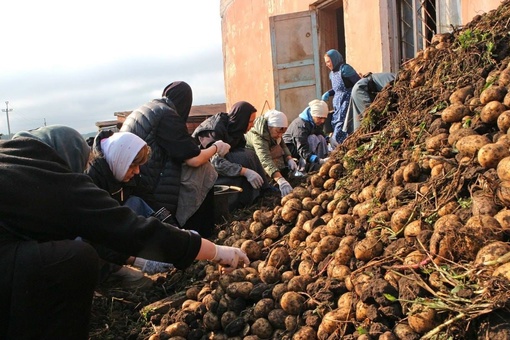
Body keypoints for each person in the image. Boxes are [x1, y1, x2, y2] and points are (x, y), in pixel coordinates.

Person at [0, 124, 249, 339]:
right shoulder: (53, 178)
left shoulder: (14, 161)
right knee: (76, 257)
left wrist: (178, 231)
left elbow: (143, 211)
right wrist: (213, 250)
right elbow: (122, 229)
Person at [120, 81, 231, 238]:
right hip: (148, 181)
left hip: (133, 179)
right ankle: (198, 234)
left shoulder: (148, 109)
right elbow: (194, 159)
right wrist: (216, 148)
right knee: (205, 170)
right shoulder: (166, 115)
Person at [85, 130, 173, 287]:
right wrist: (138, 261)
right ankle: (110, 271)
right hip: (94, 241)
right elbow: (96, 235)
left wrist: (176, 231)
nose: (137, 171)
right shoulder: (91, 180)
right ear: (120, 160)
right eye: (133, 166)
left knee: (136, 202)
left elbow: (149, 200)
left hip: (113, 228)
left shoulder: (121, 170)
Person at [192, 101, 269, 210]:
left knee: (248, 155)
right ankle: (237, 206)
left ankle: (263, 191)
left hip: (222, 160)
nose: (252, 125)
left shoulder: (236, 129)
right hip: (204, 170)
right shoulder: (214, 130)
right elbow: (216, 163)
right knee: (244, 159)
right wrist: (244, 171)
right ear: (242, 120)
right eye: (250, 121)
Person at [245, 109, 297, 197]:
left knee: (278, 149)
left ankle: (276, 175)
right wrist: (280, 180)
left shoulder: (274, 132)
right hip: (252, 158)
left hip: (265, 156)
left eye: (282, 132)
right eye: (278, 131)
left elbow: (283, 145)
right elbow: (265, 160)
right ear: (269, 127)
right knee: (273, 154)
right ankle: (267, 183)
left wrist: (289, 158)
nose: (280, 135)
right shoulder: (258, 136)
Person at [322, 49, 361, 147]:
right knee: (336, 124)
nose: (327, 64)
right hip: (338, 105)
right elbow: (337, 89)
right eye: (326, 62)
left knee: (342, 126)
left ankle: (336, 149)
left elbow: (358, 83)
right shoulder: (332, 74)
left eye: (328, 61)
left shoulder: (345, 69)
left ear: (334, 60)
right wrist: (329, 93)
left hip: (347, 102)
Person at [283, 99, 330, 173]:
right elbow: (302, 147)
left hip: (303, 148)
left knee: (321, 137)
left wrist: (329, 139)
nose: (322, 121)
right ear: (313, 115)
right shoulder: (300, 126)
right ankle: (305, 168)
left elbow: (319, 131)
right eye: (320, 118)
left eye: (324, 118)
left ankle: (321, 162)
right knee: (312, 138)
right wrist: (317, 160)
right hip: (293, 150)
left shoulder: (314, 121)